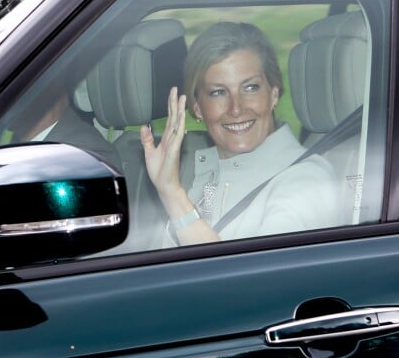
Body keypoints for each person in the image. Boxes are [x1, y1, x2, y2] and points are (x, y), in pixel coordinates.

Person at [139, 21, 340, 246]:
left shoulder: (306, 182)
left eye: (250, 87)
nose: (236, 108)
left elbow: (253, 279)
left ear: (274, 95)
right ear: (197, 108)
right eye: (218, 92)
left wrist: (171, 193)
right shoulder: (201, 175)